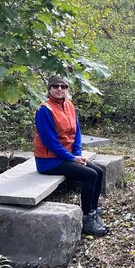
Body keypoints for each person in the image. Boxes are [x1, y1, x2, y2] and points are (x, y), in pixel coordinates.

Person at [33, 75, 108, 237]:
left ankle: (93, 213)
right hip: (49, 161)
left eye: (63, 86)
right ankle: (87, 220)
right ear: (49, 89)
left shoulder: (69, 105)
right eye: (55, 86)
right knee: (90, 175)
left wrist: (78, 154)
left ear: (67, 89)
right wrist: (72, 158)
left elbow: (77, 133)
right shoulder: (44, 110)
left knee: (99, 172)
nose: (59, 89)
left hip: (67, 157)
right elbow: (50, 141)